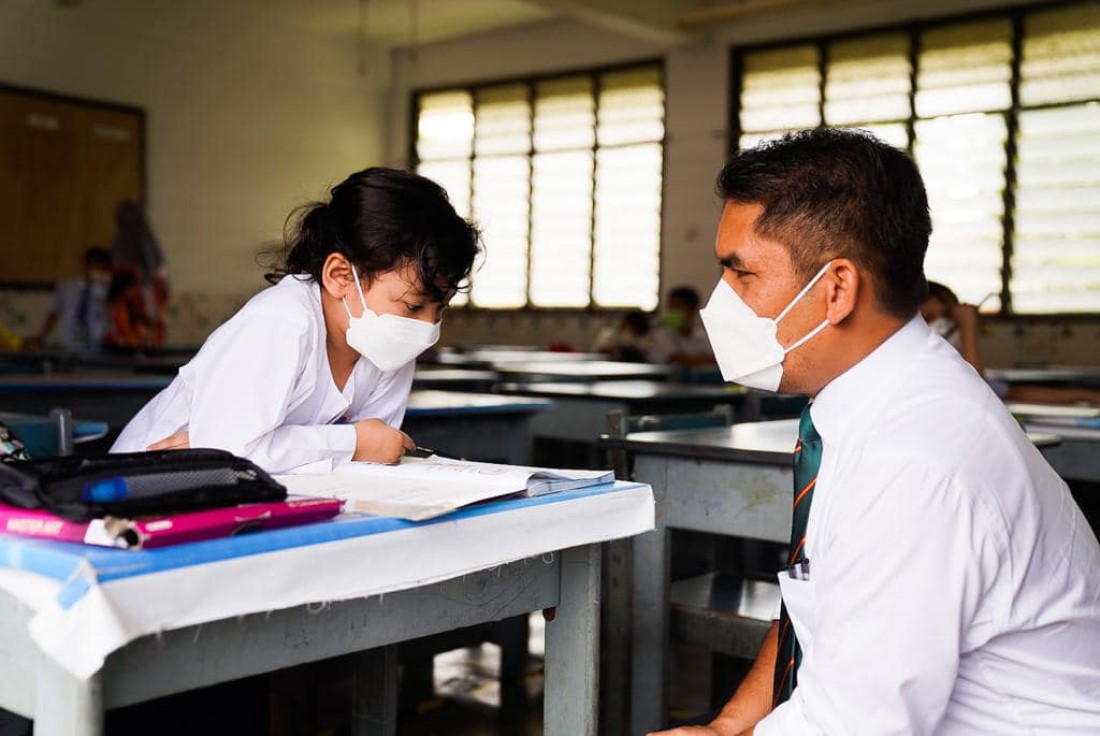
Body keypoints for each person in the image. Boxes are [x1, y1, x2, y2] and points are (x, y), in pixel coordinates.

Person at [652, 129, 1100, 735]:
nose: (721, 302)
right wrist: (730, 725)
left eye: (743, 275)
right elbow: (817, 599)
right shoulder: (871, 400)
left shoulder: (913, 459)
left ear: (836, 289)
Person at [111, 167, 480, 474]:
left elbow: (374, 457)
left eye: (440, 308)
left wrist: (276, 447)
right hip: (136, 495)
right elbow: (226, 455)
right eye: (414, 307)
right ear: (339, 276)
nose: (427, 328)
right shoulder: (282, 321)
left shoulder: (387, 347)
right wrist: (350, 440)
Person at [922, 280, 1100, 406]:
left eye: (948, 319)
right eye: (929, 318)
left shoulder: (958, 364)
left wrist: (1085, 395)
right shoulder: (926, 368)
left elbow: (1014, 393)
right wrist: (968, 326)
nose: (941, 326)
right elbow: (976, 386)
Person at [26, 246, 112, 352]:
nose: (94, 269)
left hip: (97, 340)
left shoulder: (106, 289)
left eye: (100, 267)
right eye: (92, 264)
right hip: (69, 340)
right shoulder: (67, 286)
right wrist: (42, 335)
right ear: (85, 264)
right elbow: (54, 312)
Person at [648, 285, 714, 366]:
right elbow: (676, 359)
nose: (671, 312)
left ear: (692, 311)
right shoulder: (661, 335)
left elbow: (716, 360)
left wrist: (691, 360)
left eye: (677, 307)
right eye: (670, 307)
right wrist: (701, 359)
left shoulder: (703, 336)